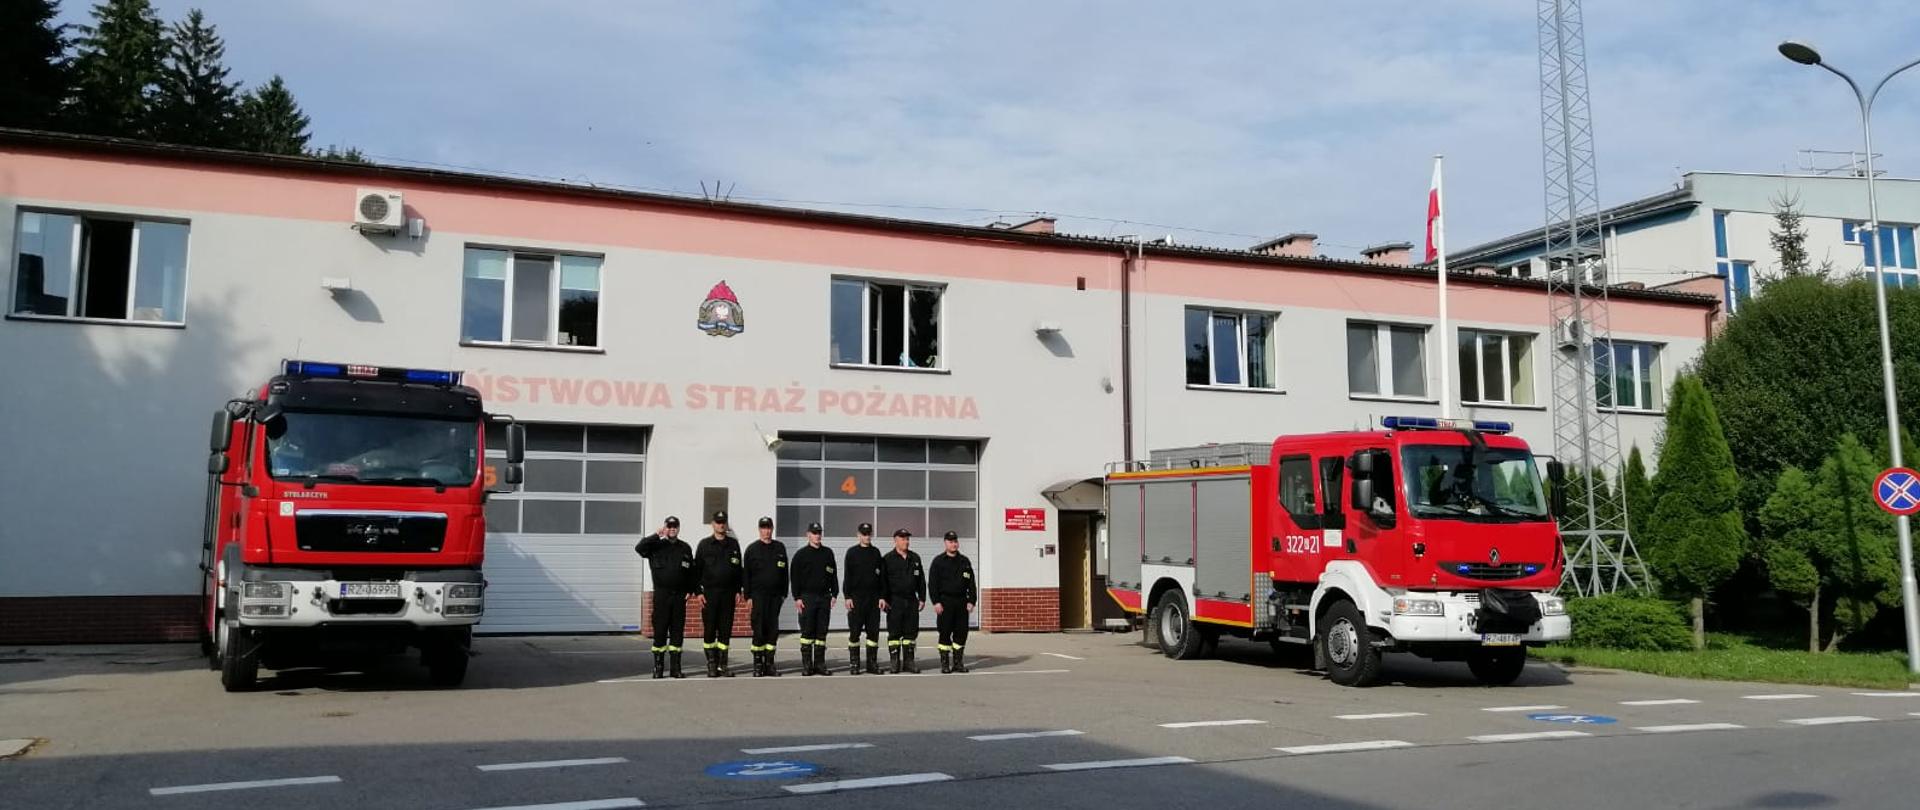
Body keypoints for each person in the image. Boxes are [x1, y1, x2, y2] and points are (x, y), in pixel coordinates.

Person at [634, 516, 697, 679]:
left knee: (677, 633)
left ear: (679, 528)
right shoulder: (656, 546)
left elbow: (691, 572)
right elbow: (639, 548)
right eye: (669, 526)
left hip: (679, 598)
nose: (672, 529)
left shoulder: (685, 548)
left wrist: (691, 589)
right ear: (665, 528)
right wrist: (656, 535)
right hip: (662, 596)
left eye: (675, 526)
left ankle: (676, 668)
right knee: (660, 632)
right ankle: (658, 668)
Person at [693, 510, 744, 678]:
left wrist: (738, 590)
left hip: (728, 595)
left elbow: (738, 570)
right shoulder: (704, 545)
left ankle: (723, 665)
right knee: (709, 630)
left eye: (723, 522)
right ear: (712, 524)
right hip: (710, 594)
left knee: (725, 630)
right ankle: (711, 665)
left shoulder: (733, 545)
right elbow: (696, 571)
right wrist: (698, 592)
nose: (721, 525)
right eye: (718, 522)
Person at [743, 516, 790, 676]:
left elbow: (785, 573)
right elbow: (746, 575)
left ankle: (769, 664)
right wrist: (748, 596)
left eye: (769, 528)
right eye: (763, 528)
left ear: (772, 529)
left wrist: (784, 594)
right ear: (759, 530)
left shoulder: (780, 548)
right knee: (759, 630)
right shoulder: (752, 549)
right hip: (758, 597)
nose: (766, 531)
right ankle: (758, 664)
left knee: (772, 631)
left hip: (775, 597)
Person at [790, 522, 838, 676]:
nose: (817, 535)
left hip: (824, 598)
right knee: (807, 632)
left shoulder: (828, 553)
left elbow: (833, 574)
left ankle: (820, 664)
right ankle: (807, 665)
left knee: (821, 633)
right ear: (808, 535)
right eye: (814, 532)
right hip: (807, 598)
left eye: (819, 532)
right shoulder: (801, 555)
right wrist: (797, 597)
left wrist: (835, 594)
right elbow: (794, 578)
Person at [927, 530, 977, 673]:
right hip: (945, 602)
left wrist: (971, 601)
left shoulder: (964, 561)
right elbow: (933, 584)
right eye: (951, 542)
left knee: (961, 633)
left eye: (955, 541)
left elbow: (971, 583)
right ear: (945, 543)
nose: (954, 544)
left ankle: (958, 663)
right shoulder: (938, 562)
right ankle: (944, 664)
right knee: (945, 632)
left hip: (961, 602)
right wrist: (936, 602)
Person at [879, 529, 926, 673]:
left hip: (911, 600)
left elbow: (921, 580)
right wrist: (883, 598)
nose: (906, 541)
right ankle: (894, 662)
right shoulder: (887, 559)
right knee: (894, 633)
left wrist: (922, 598)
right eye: (903, 539)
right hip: (895, 601)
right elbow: (883, 582)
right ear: (895, 540)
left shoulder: (915, 558)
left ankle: (909, 662)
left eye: (907, 539)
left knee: (910, 633)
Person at [842, 522, 884, 675]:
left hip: (873, 600)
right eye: (863, 534)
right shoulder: (852, 553)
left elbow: (881, 578)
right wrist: (847, 597)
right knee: (855, 633)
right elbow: (848, 576)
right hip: (857, 599)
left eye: (868, 534)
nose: (866, 536)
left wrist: (881, 596)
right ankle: (855, 664)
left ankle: (871, 664)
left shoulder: (876, 553)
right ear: (858, 535)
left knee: (873, 633)